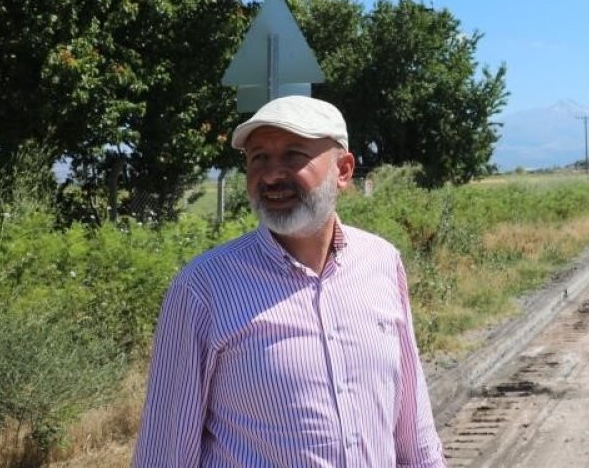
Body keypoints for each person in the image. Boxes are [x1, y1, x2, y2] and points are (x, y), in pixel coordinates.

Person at [133, 96, 446, 467]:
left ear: (343, 171)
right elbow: (165, 450)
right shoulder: (204, 288)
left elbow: (413, 424)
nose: (271, 174)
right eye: (258, 158)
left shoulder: (381, 263)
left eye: (294, 155)